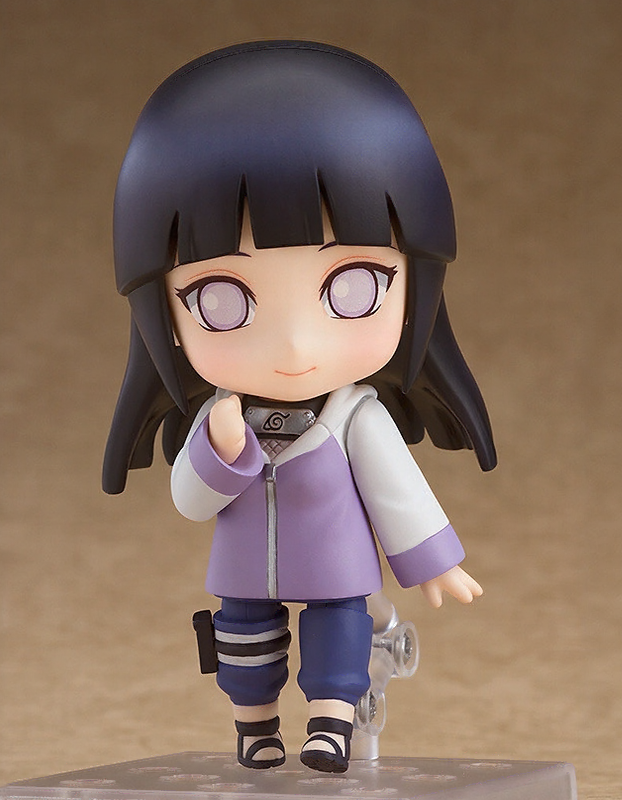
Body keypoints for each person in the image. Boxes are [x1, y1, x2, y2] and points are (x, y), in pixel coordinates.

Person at [103, 41, 496, 774]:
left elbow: (399, 491)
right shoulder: (220, 415)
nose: (294, 347)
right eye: (221, 300)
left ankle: (331, 723)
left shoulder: (355, 417)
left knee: (340, 636)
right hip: (243, 570)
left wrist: (434, 561)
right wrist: (220, 451)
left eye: (354, 288)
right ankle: (254, 725)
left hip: (338, 568)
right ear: (163, 313)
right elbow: (189, 501)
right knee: (242, 644)